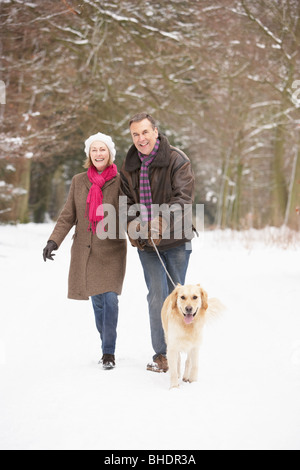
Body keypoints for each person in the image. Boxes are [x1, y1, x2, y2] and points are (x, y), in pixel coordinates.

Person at [43, 133, 127, 370]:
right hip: (86, 250)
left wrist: (142, 234)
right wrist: (53, 241)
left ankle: (108, 352)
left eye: (103, 149)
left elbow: (131, 212)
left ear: (110, 153)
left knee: (110, 299)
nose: (98, 154)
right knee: (98, 304)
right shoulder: (79, 181)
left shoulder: (121, 181)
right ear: (89, 154)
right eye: (94, 150)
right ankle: (106, 343)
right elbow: (68, 214)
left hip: (111, 249)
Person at [120, 113, 195, 373]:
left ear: (155, 131)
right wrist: (135, 227)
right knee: (157, 297)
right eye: (135, 134)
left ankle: (182, 347)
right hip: (147, 244)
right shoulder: (128, 165)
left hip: (176, 240)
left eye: (145, 132)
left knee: (180, 299)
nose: (141, 139)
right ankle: (161, 354)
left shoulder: (177, 159)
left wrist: (160, 222)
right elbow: (127, 203)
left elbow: (183, 198)